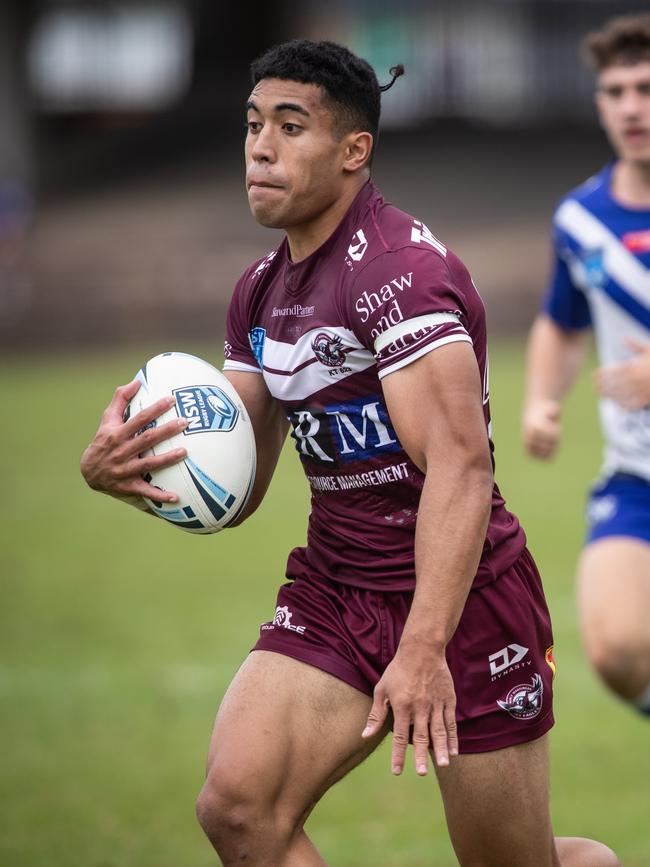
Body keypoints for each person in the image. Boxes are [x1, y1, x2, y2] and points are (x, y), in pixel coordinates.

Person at [81, 40, 618, 867]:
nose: (261, 146)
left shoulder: (399, 276)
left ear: (353, 151)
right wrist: (135, 473)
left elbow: (463, 469)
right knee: (237, 809)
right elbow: (241, 483)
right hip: (338, 584)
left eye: (291, 127)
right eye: (254, 124)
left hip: (463, 594)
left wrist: (424, 647)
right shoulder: (259, 292)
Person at [523, 13, 650, 722]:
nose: (631, 106)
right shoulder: (581, 220)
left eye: (645, 87)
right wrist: (543, 399)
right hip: (637, 476)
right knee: (616, 647)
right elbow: (562, 322)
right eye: (616, 90)